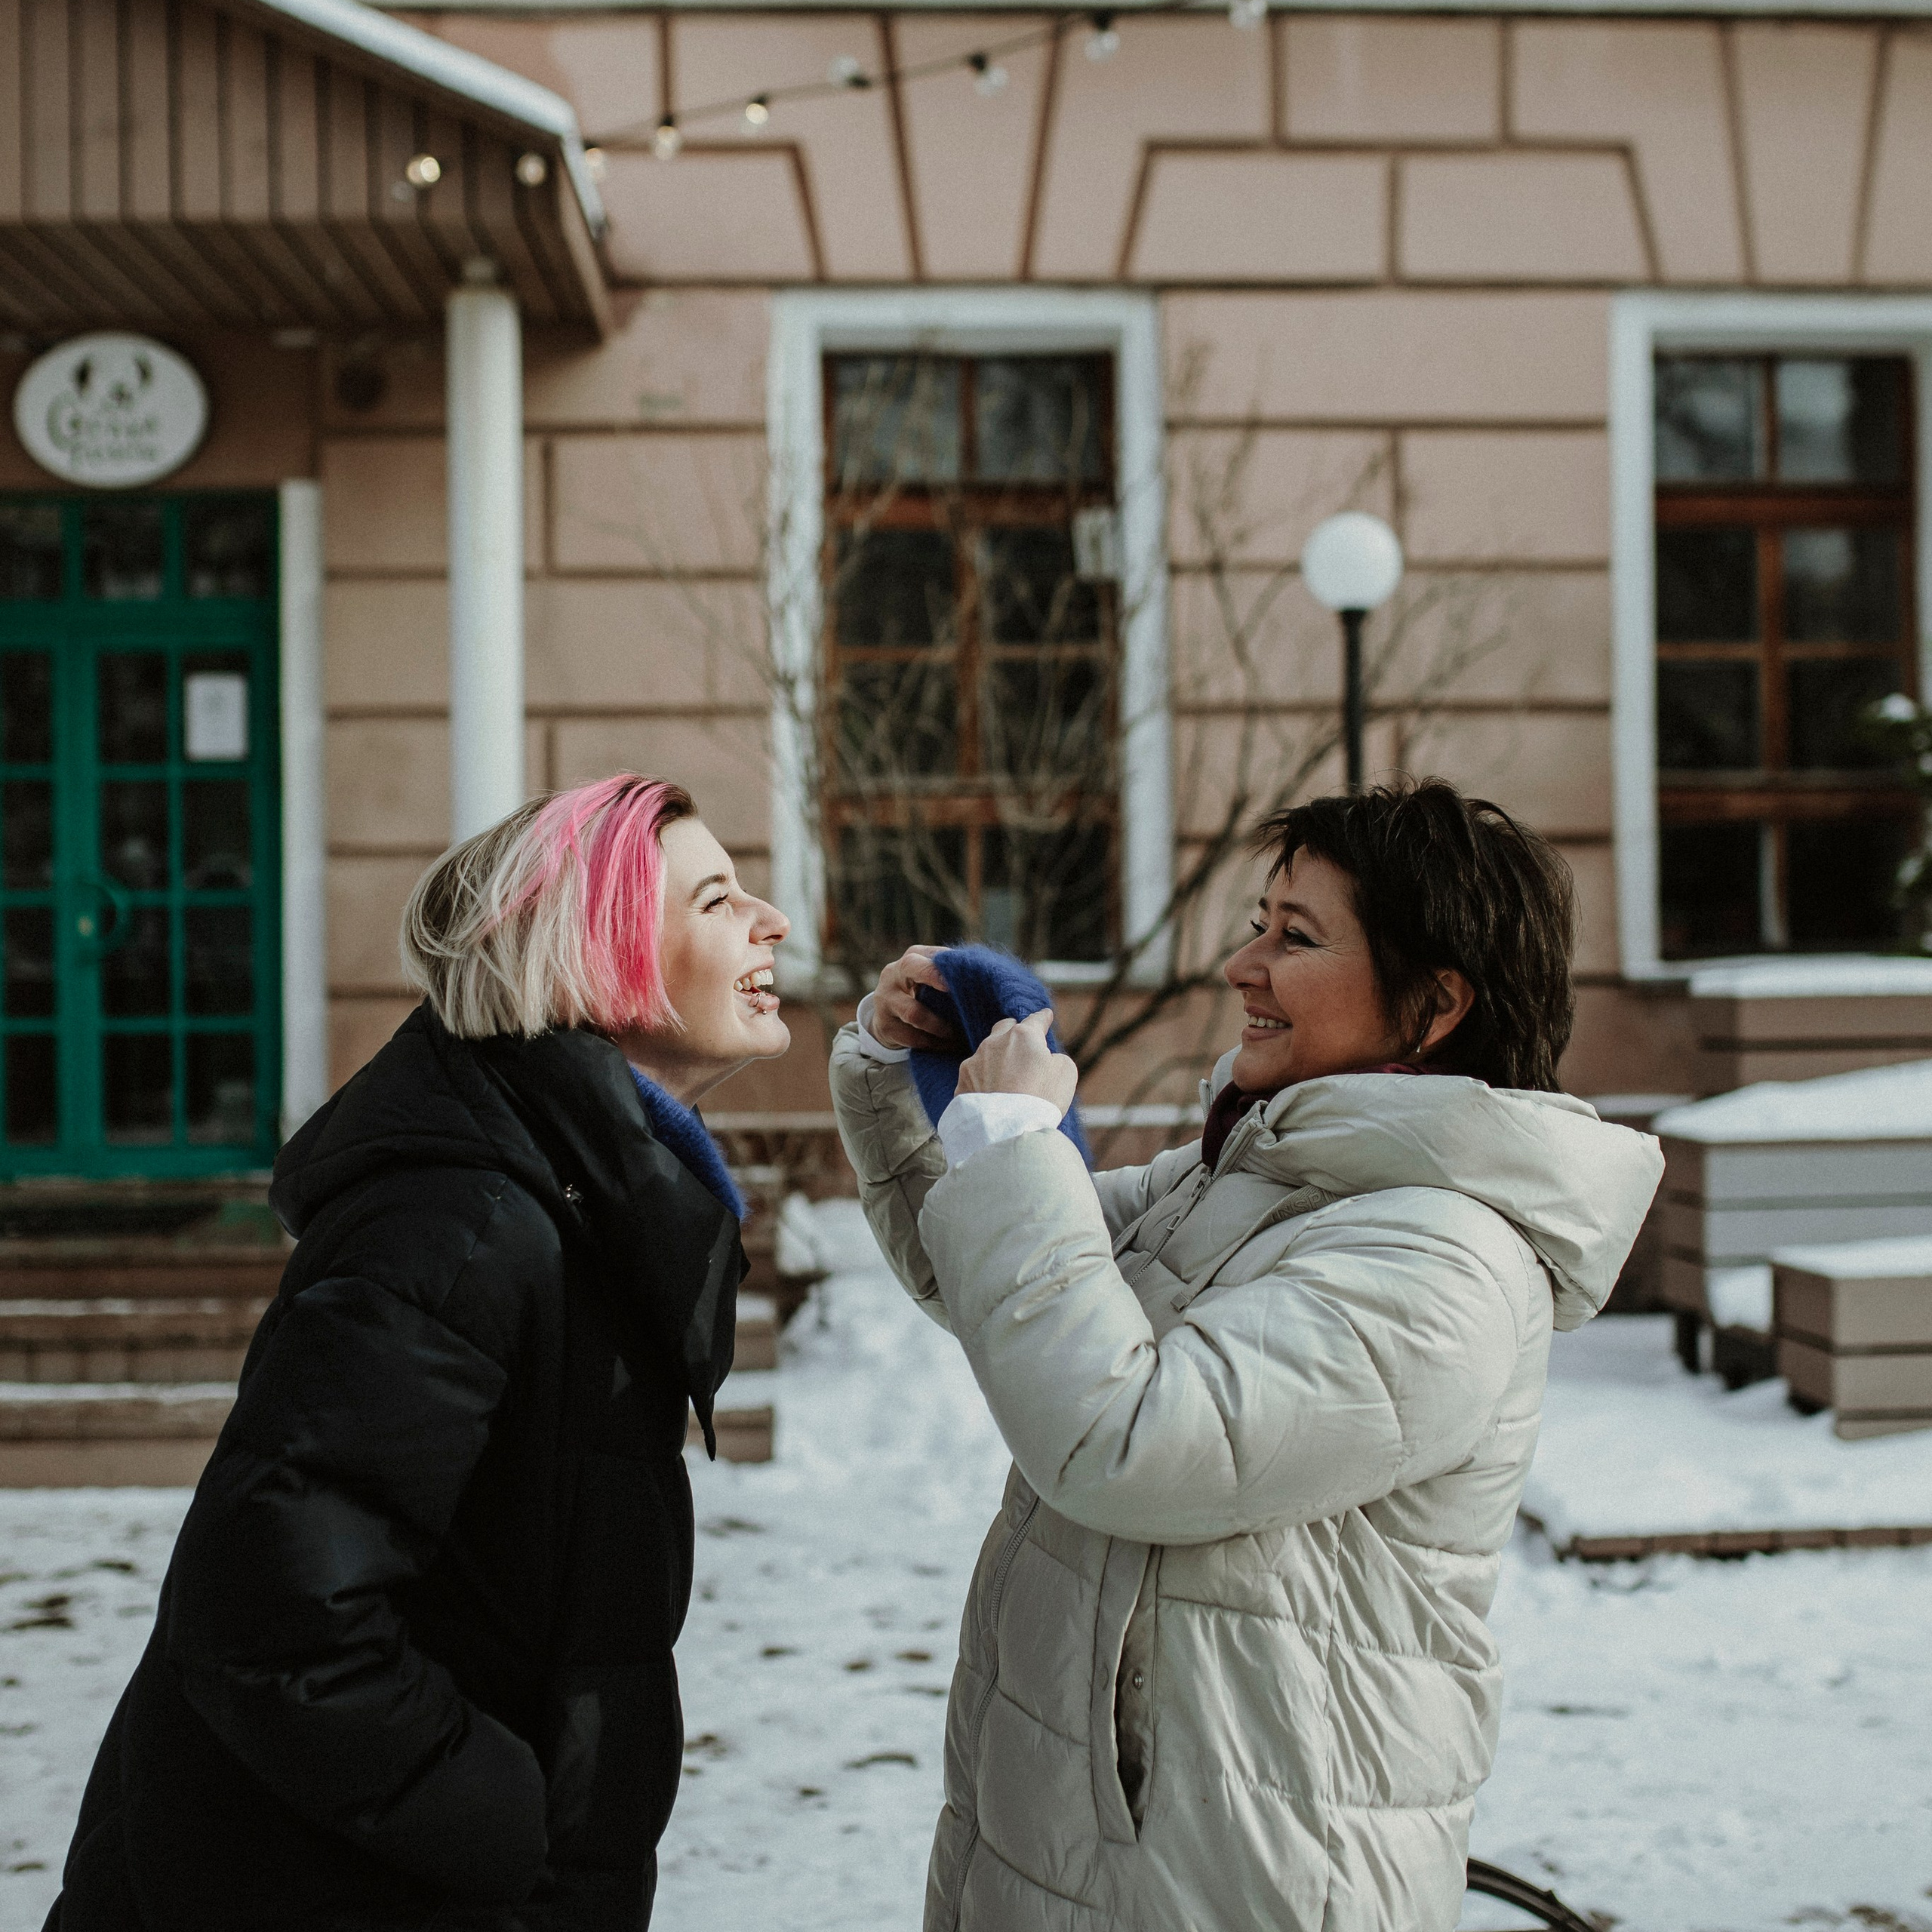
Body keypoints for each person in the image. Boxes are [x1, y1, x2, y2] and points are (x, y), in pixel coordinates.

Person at [831, 777, 1665, 1932]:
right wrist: (901, 1080)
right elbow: (1002, 1288)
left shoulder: (1444, 1261)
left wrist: (1020, 1146)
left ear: (1433, 1006)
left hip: (1238, 1875)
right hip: (1099, 1852)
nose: (1245, 966)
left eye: (1299, 936)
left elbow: (1125, 1440)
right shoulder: (1248, 1179)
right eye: (1258, 924)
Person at [44, 774, 791, 1932]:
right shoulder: (463, 1227)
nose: (770, 921)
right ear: (591, 952)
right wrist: (507, 1824)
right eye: (714, 900)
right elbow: (272, 1614)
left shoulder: (587, 1207)